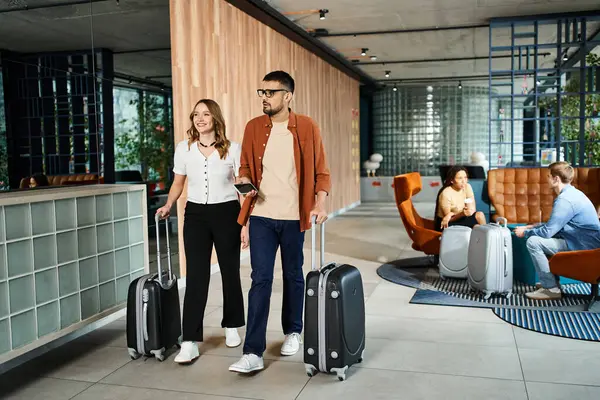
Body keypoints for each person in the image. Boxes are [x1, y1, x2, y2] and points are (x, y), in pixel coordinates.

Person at [228, 71, 331, 374]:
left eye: (271, 93)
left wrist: (320, 203)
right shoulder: (253, 127)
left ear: (288, 96)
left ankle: (293, 331)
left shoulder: (307, 127)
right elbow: (245, 166)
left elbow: (321, 172)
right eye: (262, 92)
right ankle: (252, 351)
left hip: (292, 217)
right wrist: (244, 181)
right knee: (260, 279)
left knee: (293, 275)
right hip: (260, 215)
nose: (264, 97)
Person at [155, 99, 247, 364]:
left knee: (230, 271)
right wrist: (169, 204)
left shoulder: (233, 149)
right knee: (196, 276)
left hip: (227, 213)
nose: (200, 118)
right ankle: (190, 341)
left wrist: (245, 224)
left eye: (206, 114)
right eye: (196, 114)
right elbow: (178, 182)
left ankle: (231, 325)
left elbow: (242, 188)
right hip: (195, 215)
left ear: (215, 117)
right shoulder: (184, 149)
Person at [515, 161, 600, 300]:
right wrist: (531, 226)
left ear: (556, 179)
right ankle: (552, 283)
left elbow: (548, 232)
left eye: (548, 176)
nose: (546, 179)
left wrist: (525, 232)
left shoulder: (564, 201)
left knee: (534, 242)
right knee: (542, 240)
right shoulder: (574, 193)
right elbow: (555, 226)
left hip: (586, 249)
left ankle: (551, 288)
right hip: (585, 244)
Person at [434, 166, 486, 231]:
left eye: (465, 177)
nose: (464, 181)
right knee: (476, 227)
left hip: (461, 217)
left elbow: (472, 210)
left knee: (480, 215)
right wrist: (461, 213)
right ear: (452, 180)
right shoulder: (446, 193)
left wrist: (467, 212)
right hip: (447, 223)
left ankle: (486, 237)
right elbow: (448, 218)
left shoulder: (467, 186)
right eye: (460, 178)